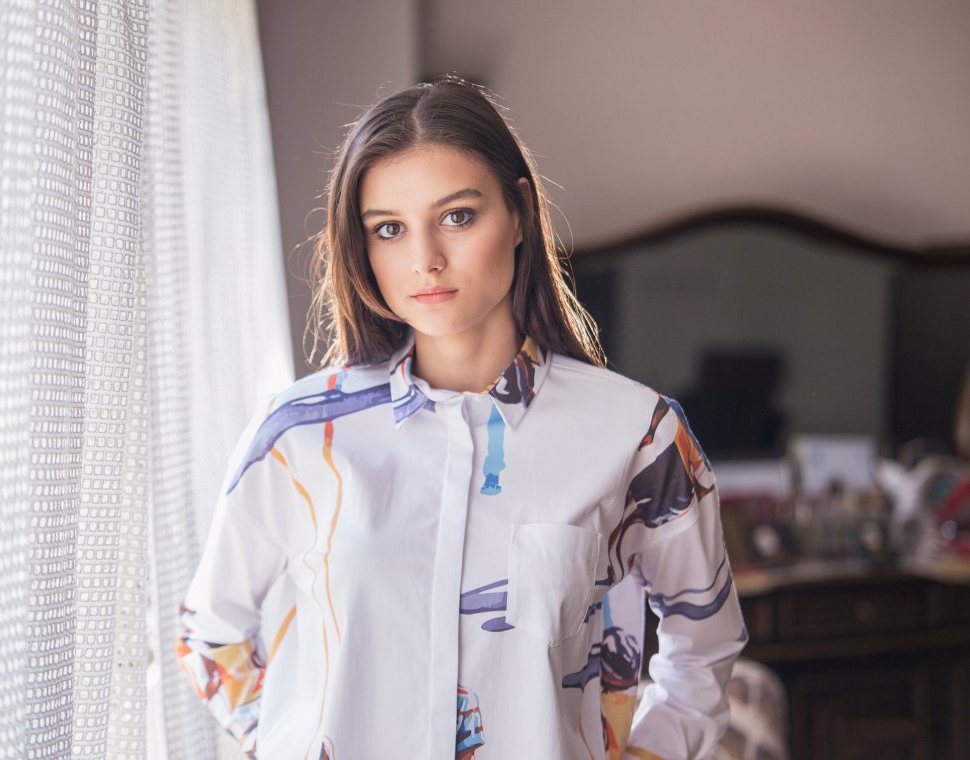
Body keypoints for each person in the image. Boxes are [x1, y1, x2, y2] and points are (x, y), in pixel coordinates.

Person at [177, 75, 747, 760]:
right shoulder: (300, 434)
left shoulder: (638, 435)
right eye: (389, 229)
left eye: (457, 216)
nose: (425, 260)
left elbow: (704, 647)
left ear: (518, 212)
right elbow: (209, 635)